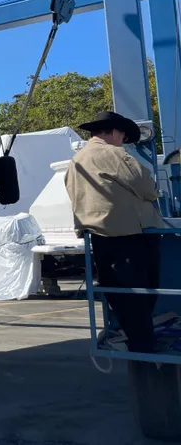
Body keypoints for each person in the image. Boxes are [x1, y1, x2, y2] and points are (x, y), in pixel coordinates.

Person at [64, 111, 164, 353]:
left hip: (99, 236)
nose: (123, 141)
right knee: (141, 293)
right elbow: (146, 186)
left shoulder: (76, 161)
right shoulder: (113, 153)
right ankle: (144, 345)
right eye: (123, 136)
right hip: (129, 235)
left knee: (118, 294)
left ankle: (133, 339)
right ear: (114, 132)